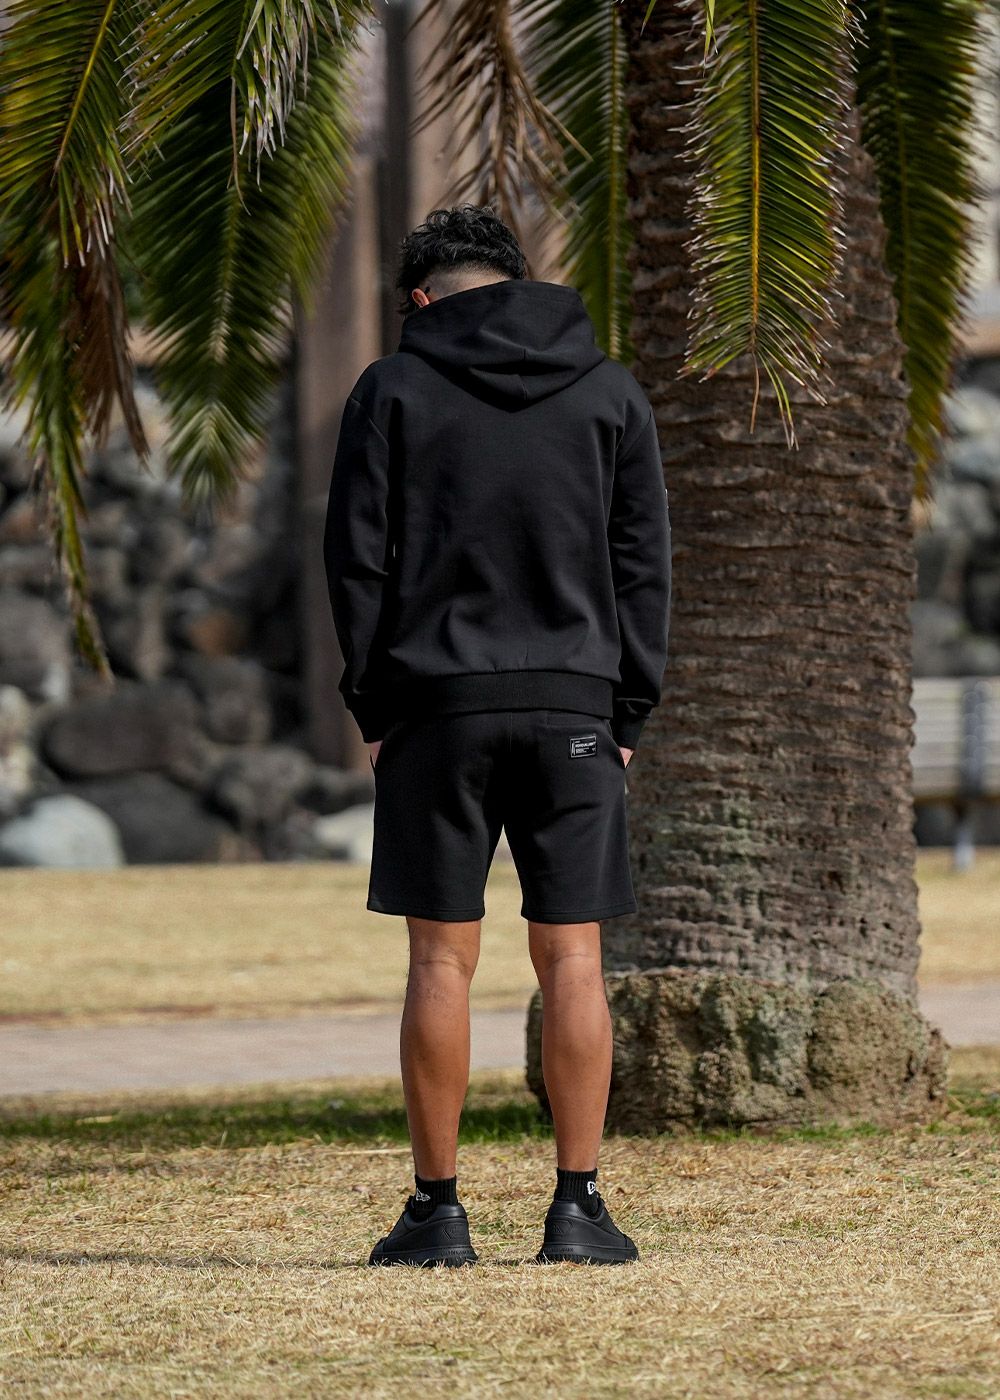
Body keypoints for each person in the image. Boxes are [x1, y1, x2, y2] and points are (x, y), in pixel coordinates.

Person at [324, 203, 671, 1266]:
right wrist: (625, 712)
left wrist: (376, 708)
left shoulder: (391, 388)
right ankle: (579, 1209)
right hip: (576, 709)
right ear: (516, 282)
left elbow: (356, 559)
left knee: (441, 957)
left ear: (419, 299)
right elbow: (643, 563)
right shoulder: (609, 390)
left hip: (436, 709)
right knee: (573, 957)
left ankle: (437, 1214)